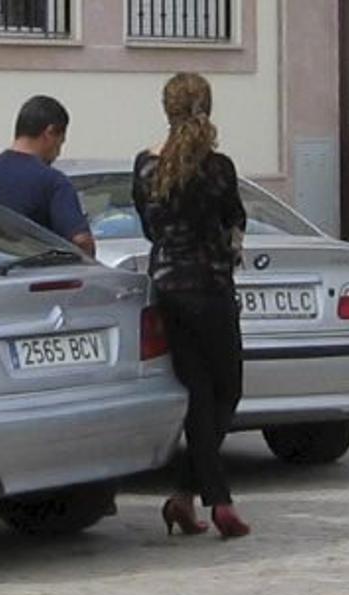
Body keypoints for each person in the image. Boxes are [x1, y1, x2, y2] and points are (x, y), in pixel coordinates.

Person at [132, 72, 250, 539]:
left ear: (167, 110)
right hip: (212, 287)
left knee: (198, 391)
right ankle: (216, 500)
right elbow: (234, 221)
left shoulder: (145, 166)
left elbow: (148, 227)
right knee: (227, 391)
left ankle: (185, 498)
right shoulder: (218, 167)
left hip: (168, 288)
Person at [0, 95, 96, 255]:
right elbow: (81, 240)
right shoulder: (52, 181)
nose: (58, 153)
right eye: (60, 142)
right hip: (36, 271)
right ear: (49, 132)